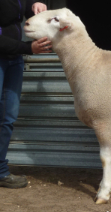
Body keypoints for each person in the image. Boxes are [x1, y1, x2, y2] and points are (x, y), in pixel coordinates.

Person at [0, 0, 51, 188]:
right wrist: (28, 48)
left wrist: (33, 5)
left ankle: (0, 172)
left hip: (13, 60)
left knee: (8, 118)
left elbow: (21, 6)